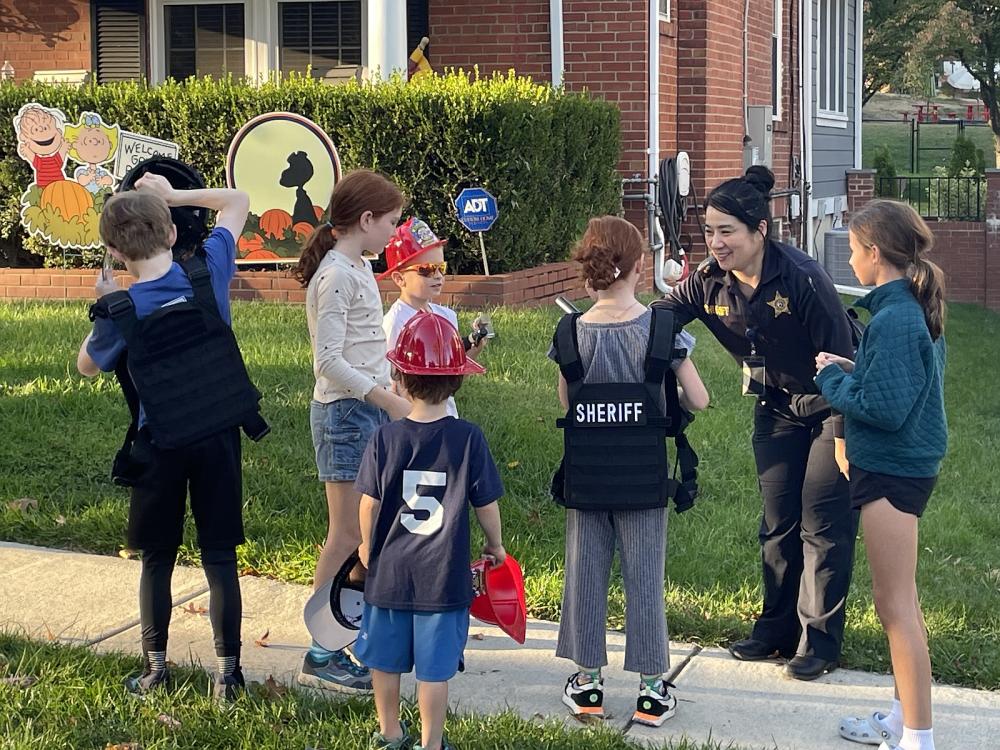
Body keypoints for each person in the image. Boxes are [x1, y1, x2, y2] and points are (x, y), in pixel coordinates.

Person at [652, 165, 857, 681]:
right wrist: (607, 322)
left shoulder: (803, 278)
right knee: (777, 526)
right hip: (776, 407)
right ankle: (775, 632)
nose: (716, 243)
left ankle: (820, 643)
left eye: (727, 231)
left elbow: (848, 362)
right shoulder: (706, 281)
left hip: (834, 406)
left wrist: (849, 435)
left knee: (822, 527)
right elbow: (661, 317)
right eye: (708, 231)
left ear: (759, 231)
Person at [76, 173, 253, 700]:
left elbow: (87, 366)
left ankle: (155, 667)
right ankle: (228, 674)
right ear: (172, 233)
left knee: (158, 557)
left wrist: (106, 305)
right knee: (219, 556)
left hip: (160, 444)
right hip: (219, 434)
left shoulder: (120, 310)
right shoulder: (208, 272)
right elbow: (238, 201)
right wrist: (173, 197)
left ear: (113, 251)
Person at [550, 216, 709, 726]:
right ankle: (651, 689)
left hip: (588, 477)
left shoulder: (571, 332)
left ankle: (588, 682)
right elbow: (700, 400)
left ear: (589, 270)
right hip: (643, 479)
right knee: (644, 578)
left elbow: (568, 400)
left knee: (585, 574)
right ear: (640, 268)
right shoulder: (663, 331)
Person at [816, 200, 947, 750]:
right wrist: (855, 369)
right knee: (902, 604)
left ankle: (918, 738)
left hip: (893, 472)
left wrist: (832, 383)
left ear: (875, 253)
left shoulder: (894, 317)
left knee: (896, 609)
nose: (849, 259)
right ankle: (901, 719)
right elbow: (897, 385)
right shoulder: (903, 309)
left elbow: (885, 410)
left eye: (852, 249)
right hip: (898, 468)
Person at [354, 311, 505, 750]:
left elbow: (369, 503)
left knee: (384, 662)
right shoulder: (468, 438)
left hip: (390, 573)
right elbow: (486, 503)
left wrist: (367, 546)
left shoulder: (385, 438)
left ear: (398, 376)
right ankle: (431, 743)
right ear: (457, 379)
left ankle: (388, 734)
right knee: (434, 671)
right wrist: (494, 544)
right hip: (443, 579)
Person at [294, 169, 412, 694]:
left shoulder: (358, 265)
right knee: (346, 535)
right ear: (365, 220)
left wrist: (397, 385)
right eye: (390, 221)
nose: (394, 231)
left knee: (367, 533)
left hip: (369, 410)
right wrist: (386, 399)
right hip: (345, 416)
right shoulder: (336, 274)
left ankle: (351, 635)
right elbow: (329, 362)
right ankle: (323, 650)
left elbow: (366, 345)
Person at [380, 216, 488, 417]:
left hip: (447, 418)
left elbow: (449, 377)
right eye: (426, 270)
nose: (438, 276)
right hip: (412, 423)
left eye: (441, 268)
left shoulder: (447, 316)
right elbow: (391, 384)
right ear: (398, 278)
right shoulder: (394, 322)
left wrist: (473, 351)